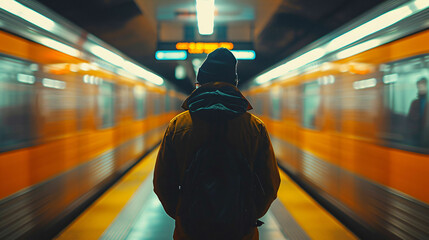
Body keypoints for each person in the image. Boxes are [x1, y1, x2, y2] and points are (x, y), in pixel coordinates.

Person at [153, 48, 280, 240]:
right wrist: (247, 214)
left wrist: (184, 214)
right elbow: (270, 184)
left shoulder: (178, 125)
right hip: (240, 232)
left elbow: (162, 183)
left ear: (200, 82)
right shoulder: (255, 127)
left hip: (190, 232)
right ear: (234, 83)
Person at [407, 77, 428, 147]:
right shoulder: (415, 103)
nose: (421, 88)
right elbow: (409, 119)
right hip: (416, 136)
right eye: (419, 86)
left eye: (423, 86)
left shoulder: (427, 102)